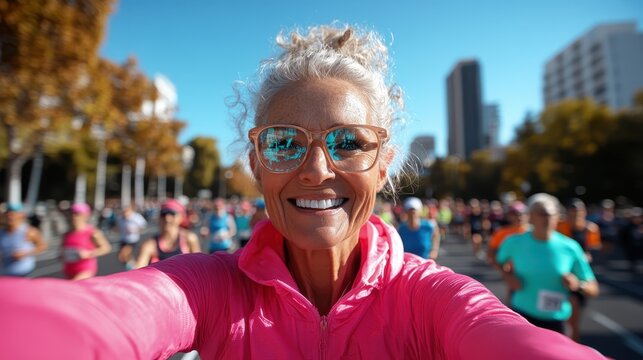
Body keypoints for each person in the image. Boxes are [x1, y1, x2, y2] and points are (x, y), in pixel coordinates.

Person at [0, 25, 606, 359]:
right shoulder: (205, 290)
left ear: (385, 163)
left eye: (348, 142)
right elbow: (91, 324)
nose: (317, 169)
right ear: (257, 163)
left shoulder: (434, 300)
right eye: (285, 142)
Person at [497, 193, 600, 338]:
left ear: (558, 217)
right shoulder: (513, 242)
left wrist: (578, 285)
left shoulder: (570, 247)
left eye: (551, 214)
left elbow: (593, 288)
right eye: (542, 214)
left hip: (556, 321)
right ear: (531, 216)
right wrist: (507, 275)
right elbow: (498, 261)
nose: (547, 219)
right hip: (522, 315)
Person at [556, 198, 601, 342]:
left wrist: (587, 256)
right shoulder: (559, 226)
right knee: (557, 316)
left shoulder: (591, 229)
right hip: (560, 275)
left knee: (574, 320)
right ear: (567, 213)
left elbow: (595, 251)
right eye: (573, 211)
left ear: (585, 212)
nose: (576, 215)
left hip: (580, 275)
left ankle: (573, 347)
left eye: (579, 211)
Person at [134, 199, 201, 268]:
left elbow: (199, 267)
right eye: (164, 214)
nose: (167, 218)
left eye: (172, 214)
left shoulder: (189, 239)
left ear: (181, 217)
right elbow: (138, 269)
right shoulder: (150, 245)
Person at [61, 203, 111, 280]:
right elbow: (62, 252)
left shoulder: (92, 232)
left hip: (85, 269)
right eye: (72, 213)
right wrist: (64, 255)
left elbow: (106, 248)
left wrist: (89, 254)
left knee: (74, 285)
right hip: (69, 269)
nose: (74, 216)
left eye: (77, 214)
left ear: (85, 215)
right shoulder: (67, 234)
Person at [0, 203, 47, 276]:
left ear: (20, 215)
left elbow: (42, 246)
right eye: (8, 214)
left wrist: (25, 253)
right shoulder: (1, 233)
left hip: (24, 273)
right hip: (5, 273)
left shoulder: (29, 231)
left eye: (13, 214)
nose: (10, 217)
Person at [116, 204, 148, 269]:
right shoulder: (120, 218)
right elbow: (117, 227)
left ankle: (133, 268)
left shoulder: (136, 217)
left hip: (132, 240)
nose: (125, 213)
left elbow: (143, 226)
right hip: (123, 239)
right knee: (122, 258)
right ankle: (134, 267)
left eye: (126, 211)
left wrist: (135, 230)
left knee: (123, 254)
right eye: (124, 212)